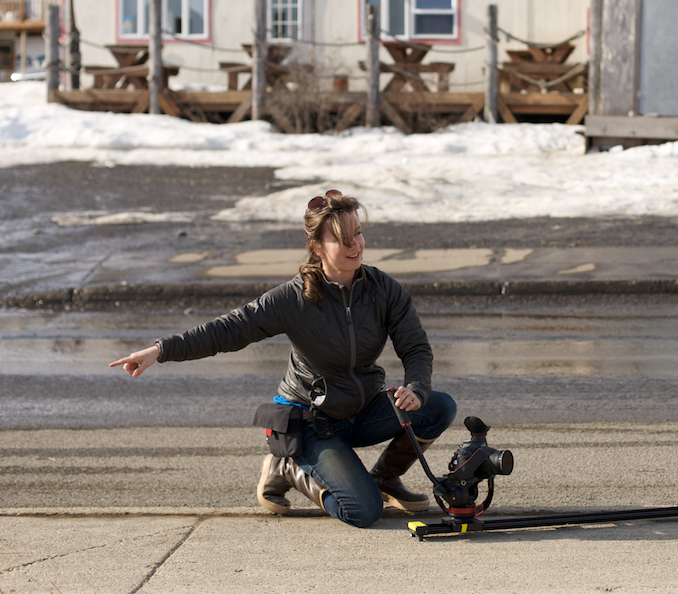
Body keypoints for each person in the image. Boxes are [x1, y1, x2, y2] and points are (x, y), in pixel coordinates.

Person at [110, 190, 456, 529]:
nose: (355, 245)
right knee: (362, 511)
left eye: (358, 234)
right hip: (312, 421)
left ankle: (384, 477)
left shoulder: (382, 289)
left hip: (362, 408)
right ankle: (287, 467)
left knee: (438, 406)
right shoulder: (294, 298)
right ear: (318, 247)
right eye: (341, 239)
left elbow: (416, 348)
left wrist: (415, 387)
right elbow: (229, 329)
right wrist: (161, 349)